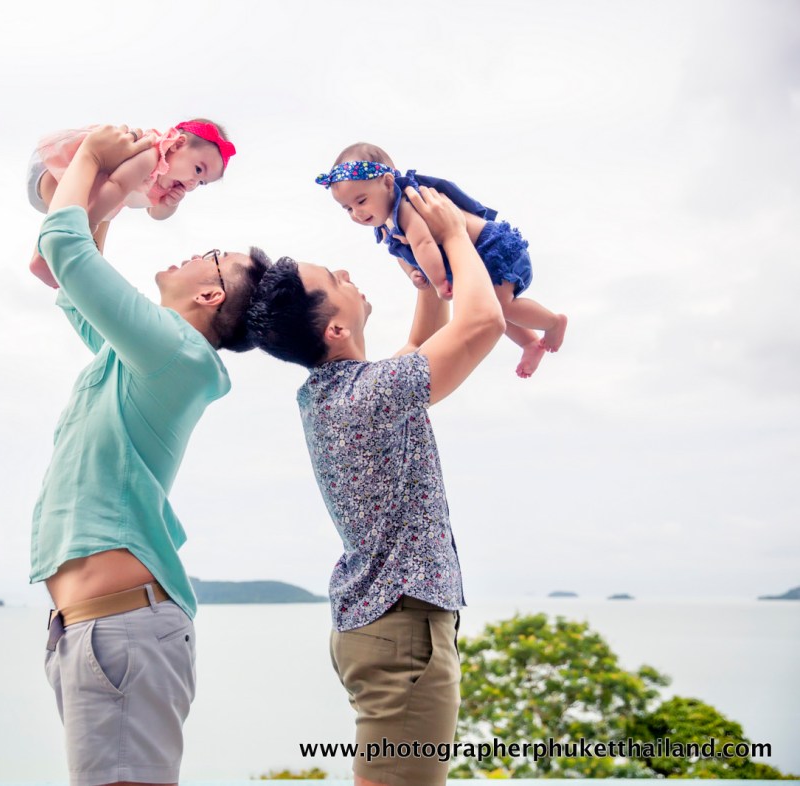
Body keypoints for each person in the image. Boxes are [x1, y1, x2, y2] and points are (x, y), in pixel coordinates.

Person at [32, 124, 268, 786]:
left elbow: (62, 248)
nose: (196, 249)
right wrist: (108, 196)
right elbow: (63, 278)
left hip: (122, 631)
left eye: (213, 257)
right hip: (98, 631)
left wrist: (91, 156)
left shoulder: (177, 354)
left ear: (211, 296)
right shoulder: (144, 353)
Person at [247, 186, 506, 786]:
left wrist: (426, 285)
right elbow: (484, 322)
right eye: (331, 278)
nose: (344, 271)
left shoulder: (331, 394)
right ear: (336, 328)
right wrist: (454, 236)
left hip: (382, 627)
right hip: (402, 632)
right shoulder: (370, 396)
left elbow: (417, 352)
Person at [316, 142, 567, 378]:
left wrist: (438, 281)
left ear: (388, 183)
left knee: (500, 306)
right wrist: (412, 273)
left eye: (361, 201)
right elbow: (400, 253)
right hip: (475, 258)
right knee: (495, 307)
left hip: (493, 249)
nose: (357, 213)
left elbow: (423, 244)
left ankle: (553, 323)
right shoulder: (385, 224)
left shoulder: (406, 207)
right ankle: (530, 343)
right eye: (348, 209)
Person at [27, 119, 236, 288]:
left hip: (97, 194)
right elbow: (117, 185)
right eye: (198, 170)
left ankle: (75, 272)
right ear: (178, 144)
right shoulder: (150, 156)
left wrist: (169, 205)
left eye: (201, 183)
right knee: (73, 216)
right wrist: (88, 224)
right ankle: (43, 255)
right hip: (57, 168)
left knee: (92, 246)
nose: (193, 183)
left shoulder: (170, 181)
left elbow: (154, 213)